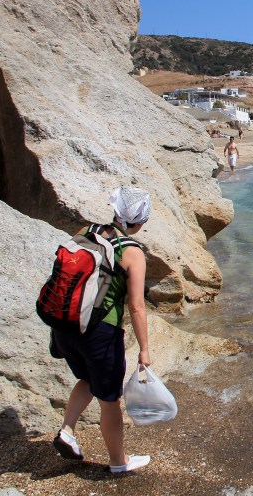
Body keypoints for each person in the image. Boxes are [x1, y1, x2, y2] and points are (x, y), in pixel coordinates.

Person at [52, 186, 153, 474]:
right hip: (99, 332)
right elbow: (136, 307)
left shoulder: (87, 230)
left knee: (86, 377)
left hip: (65, 324)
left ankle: (67, 431)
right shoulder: (132, 252)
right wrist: (144, 350)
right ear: (140, 222)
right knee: (110, 399)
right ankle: (119, 463)